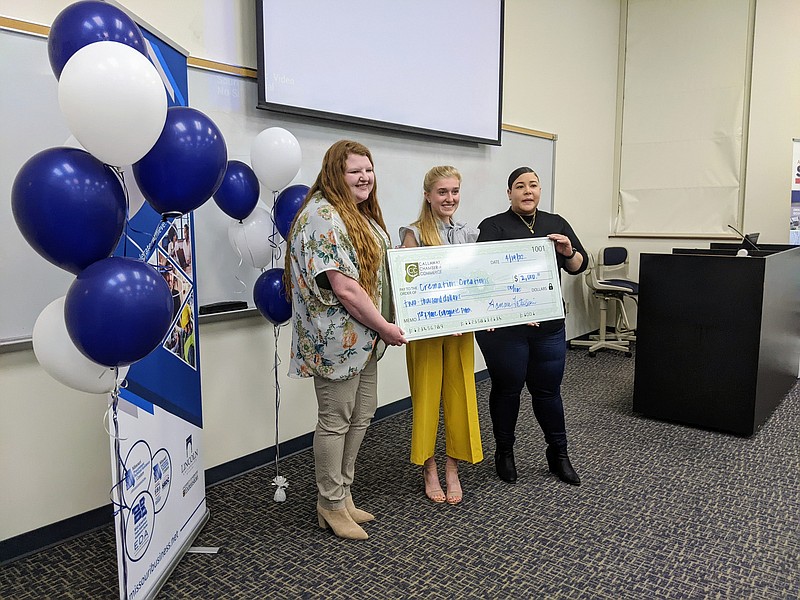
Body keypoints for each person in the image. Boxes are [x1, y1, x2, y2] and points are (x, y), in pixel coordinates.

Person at [285, 140, 406, 540]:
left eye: (368, 170)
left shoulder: (356, 213)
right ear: (336, 172)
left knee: (363, 413)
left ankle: (343, 493)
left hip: (365, 338)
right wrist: (388, 328)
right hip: (337, 342)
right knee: (335, 421)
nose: (364, 177)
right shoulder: (322, 215)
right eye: (355, 170)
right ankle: (330, 503)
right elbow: (346, 289)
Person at [475, 167, 587, 486]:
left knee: (548, 391)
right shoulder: (493, 226)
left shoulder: (556, 223)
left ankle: (559, 455)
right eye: (520, 186)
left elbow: (580, 266)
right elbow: (484, 276)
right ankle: (505, 453)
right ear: (509, 192)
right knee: (508, 389)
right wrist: (514, 306)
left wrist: (568, 252)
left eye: (533, 185)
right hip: (506, 328)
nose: (527, 191)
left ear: (540, 191)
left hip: (548, 326)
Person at [399, 166, 483, 505]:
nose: (449, 198)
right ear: (428, 195)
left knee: (461, 396)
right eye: (442, 192)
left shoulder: (470, 234)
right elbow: (408, 288)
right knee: (427, 398)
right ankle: (429, 467)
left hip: (461, 331)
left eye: (454, 191)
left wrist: (485, 312)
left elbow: (477, 281)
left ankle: (452, 467)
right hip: (428, 334)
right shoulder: (413, 233)